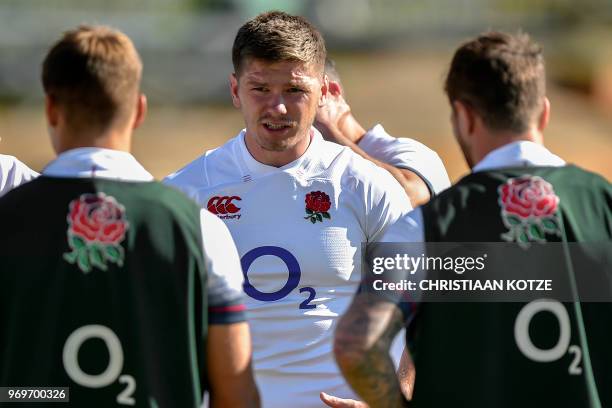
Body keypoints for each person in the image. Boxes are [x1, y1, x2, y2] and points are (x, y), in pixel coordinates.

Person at [334, 31, 612, 407]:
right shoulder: (603, 204)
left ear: (464, 117)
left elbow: (355, 344)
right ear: (543, 111)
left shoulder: (425, 227)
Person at [0, 25, 259, 408]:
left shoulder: (8, 217)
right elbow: (235, 393)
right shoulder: (200, 229)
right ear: (139, 110)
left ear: (51, 109)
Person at [164, 11, 412, 407]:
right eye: (259, 88)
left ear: (324, 91)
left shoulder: (364, 185)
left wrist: (397, 397)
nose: (276, 107)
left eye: (294, 91)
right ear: (234, 90)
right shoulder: (187, 191)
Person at [314, 58, 450, 207]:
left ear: (331, 92)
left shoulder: (410, 151)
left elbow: (408, 196)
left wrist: (328, 132)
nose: (284, 107)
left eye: (296, 91)